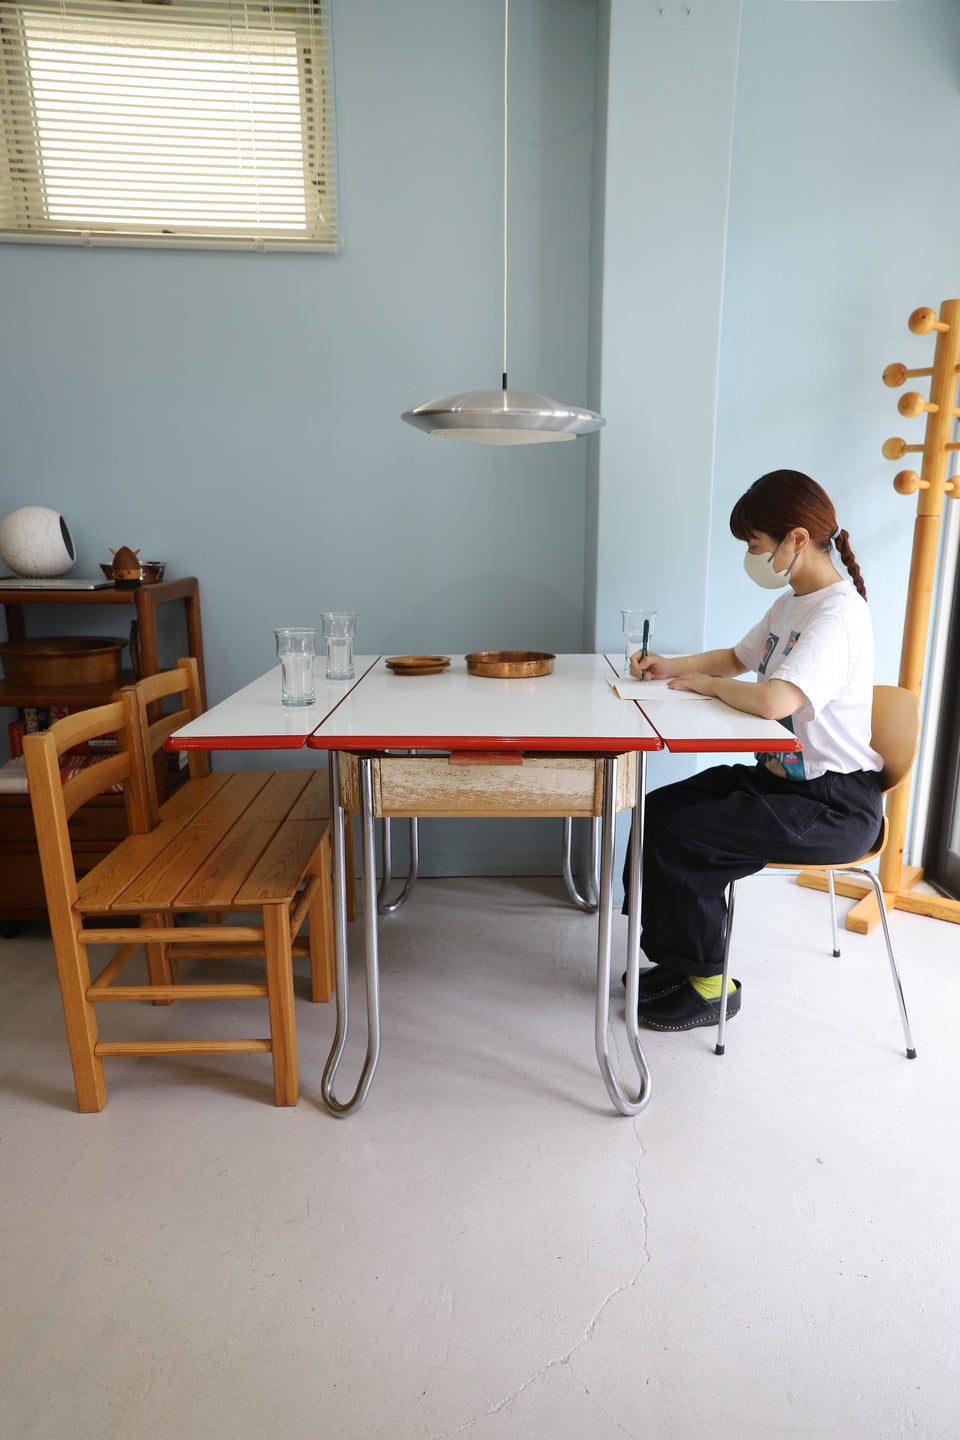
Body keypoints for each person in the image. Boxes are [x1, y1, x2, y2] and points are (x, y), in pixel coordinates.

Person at [622, 469, 884, 1031]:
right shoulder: (796, 602)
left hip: (833, 802)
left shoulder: (838, 615)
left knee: (684, 837)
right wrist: (675, 666)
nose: (751, 555)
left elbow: (772, 701)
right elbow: (736, 658)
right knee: (658, 813)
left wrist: (709, 687)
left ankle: (712, 988)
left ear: (795, 538)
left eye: (754, 544)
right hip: (782, 782)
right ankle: (680, 964)